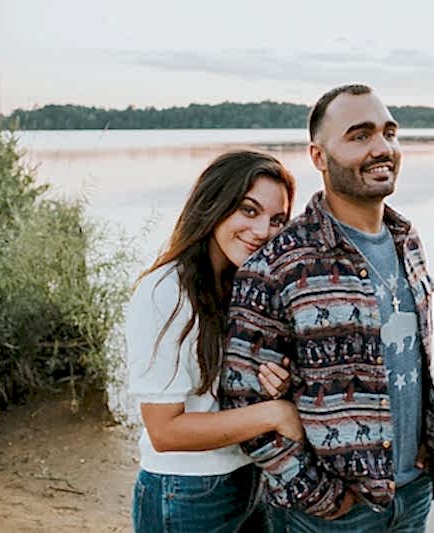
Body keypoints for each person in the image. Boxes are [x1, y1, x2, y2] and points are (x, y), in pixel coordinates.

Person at [221, 84, 434, 532]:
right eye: (359, 136)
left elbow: (413, 360)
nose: (382, 148)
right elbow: (242, 398)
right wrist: (318, 496)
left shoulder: (408, 241)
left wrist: (426, 451)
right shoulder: (278, 263)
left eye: (389, 132)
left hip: (413, 493)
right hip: (332, 515)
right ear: (318, 157)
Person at [126, 150, 302, 533]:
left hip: (250, 477)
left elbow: (227, 392)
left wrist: (276, 386)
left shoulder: (246, 287)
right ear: (213, 205)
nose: (263, 232)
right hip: (186, 492)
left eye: (277, 220)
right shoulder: (164, 292)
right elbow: (164, 431)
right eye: (249, 210)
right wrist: (273, 414)